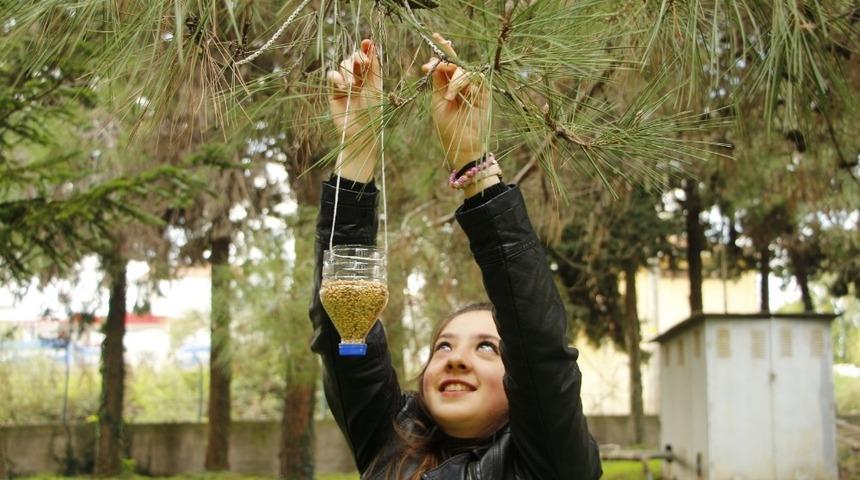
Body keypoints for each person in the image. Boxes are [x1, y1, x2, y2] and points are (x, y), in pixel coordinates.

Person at [311, 36, 602, 480]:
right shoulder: (390, 442)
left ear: (520, 383)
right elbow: (342, 321)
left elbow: (537, 342)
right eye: (443, 346)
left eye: (487, 347)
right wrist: (357, 150)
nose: (455, 358)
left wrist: (473, 165)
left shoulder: (553, 462)